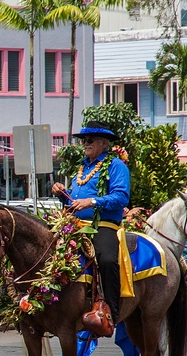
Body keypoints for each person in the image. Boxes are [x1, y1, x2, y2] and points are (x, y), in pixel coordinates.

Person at [51, 120, 130, 322]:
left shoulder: (116, 166)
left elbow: (121, 198)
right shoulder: (82, 168)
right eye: (84, 140)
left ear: (104, 143)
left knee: (106, 259)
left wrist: (92, 202)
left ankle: (111, 311)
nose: (85, 143)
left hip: (103, 225)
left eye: (90, 140)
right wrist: (63, 194)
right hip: (76, 225)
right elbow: (75, 201)